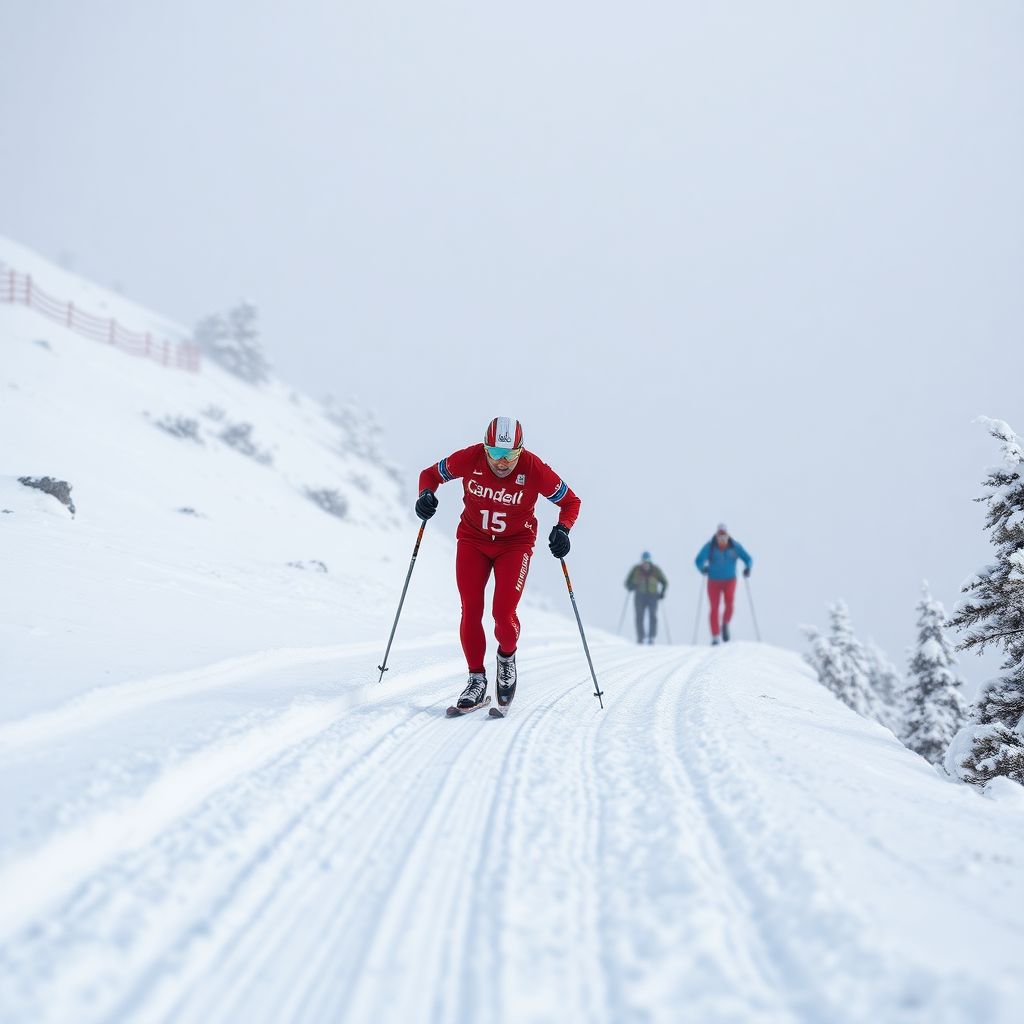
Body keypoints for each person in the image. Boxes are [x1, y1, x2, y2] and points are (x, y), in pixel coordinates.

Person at [416, 417, 581, 711]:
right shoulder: (470, 457)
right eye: (494, 453)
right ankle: (476, 680)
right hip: (473, 541)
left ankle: (506, 659)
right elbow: (430, 475)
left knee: (503, 615)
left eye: (509, 455)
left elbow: (570, 502)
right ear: (485, 446)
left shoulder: (534, 469)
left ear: (520, 451)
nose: (501, 462)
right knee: (471, 609)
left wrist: (563, 529)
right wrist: (426, 495)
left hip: (514, 546)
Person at [694, 524, 753, 645]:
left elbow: (748, 558)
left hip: (730, 580)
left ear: (727, 535)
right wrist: (702, 568)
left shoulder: (735, 546)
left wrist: (748, 568)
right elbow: (698, 560)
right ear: (716, 535)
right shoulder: (710, 546)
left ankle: (725, 623)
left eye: (724, 536)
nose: (722, 539)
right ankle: (715, 636)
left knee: (729, 604)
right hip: (713, 581)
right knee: (714, 608)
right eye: (720, 536)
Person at [624, 551, 668, 644]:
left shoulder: (656, 570)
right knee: (639, 616)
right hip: (639, 596)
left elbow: (665, 582)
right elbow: (627, 582)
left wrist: (662, 593)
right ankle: (641, 637)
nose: (646, 564)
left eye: (647, 562)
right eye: (644, 561)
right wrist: (631, 586)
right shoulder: (636, 570)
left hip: (653, 596)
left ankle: (651, 637)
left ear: (650, 562)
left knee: (653, 616)